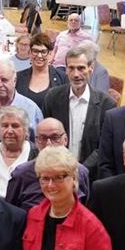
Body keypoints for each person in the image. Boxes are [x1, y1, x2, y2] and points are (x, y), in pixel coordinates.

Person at [41, 44, 116, 172]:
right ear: (66, 70)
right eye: (71, 68)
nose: (76, 74)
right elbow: (45, 136)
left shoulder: (107, 104)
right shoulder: (52, 97)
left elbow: (104, 146)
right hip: (56, 170)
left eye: (81, 68)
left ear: (91, 69)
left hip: (90, 176)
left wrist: (80, 170)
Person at [4, 118, 91, 211]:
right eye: (43, 138)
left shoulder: (80, 171)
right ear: (36, 142)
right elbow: (10, 213)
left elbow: (85, 208)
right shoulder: (21, 174)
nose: (49, 144)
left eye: (55, 137)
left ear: (65, 139)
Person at [0, 107, 38, 197]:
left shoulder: (37, 155)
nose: (9, 131)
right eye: (4, 126)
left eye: (15, 126)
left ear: (26, 131)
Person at [17, 32, 67, 107]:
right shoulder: (18, 77)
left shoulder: (62, 78)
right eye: (35, 51)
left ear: (50, 53)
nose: (39, 56)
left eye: (43, 52)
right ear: (30, 52)